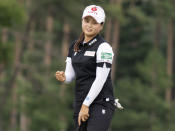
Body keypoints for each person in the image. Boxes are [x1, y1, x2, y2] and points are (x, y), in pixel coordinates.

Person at [55, 5, 123, 131]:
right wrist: (64, 77)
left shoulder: (104, 47)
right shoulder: (74, 46)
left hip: (100, 103)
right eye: (87, 21)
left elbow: (100, 80)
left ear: (101, 25)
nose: (89, 25)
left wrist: (86, 105)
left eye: (94, 22)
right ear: (82, 21)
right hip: (80, 102)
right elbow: (70, 76)